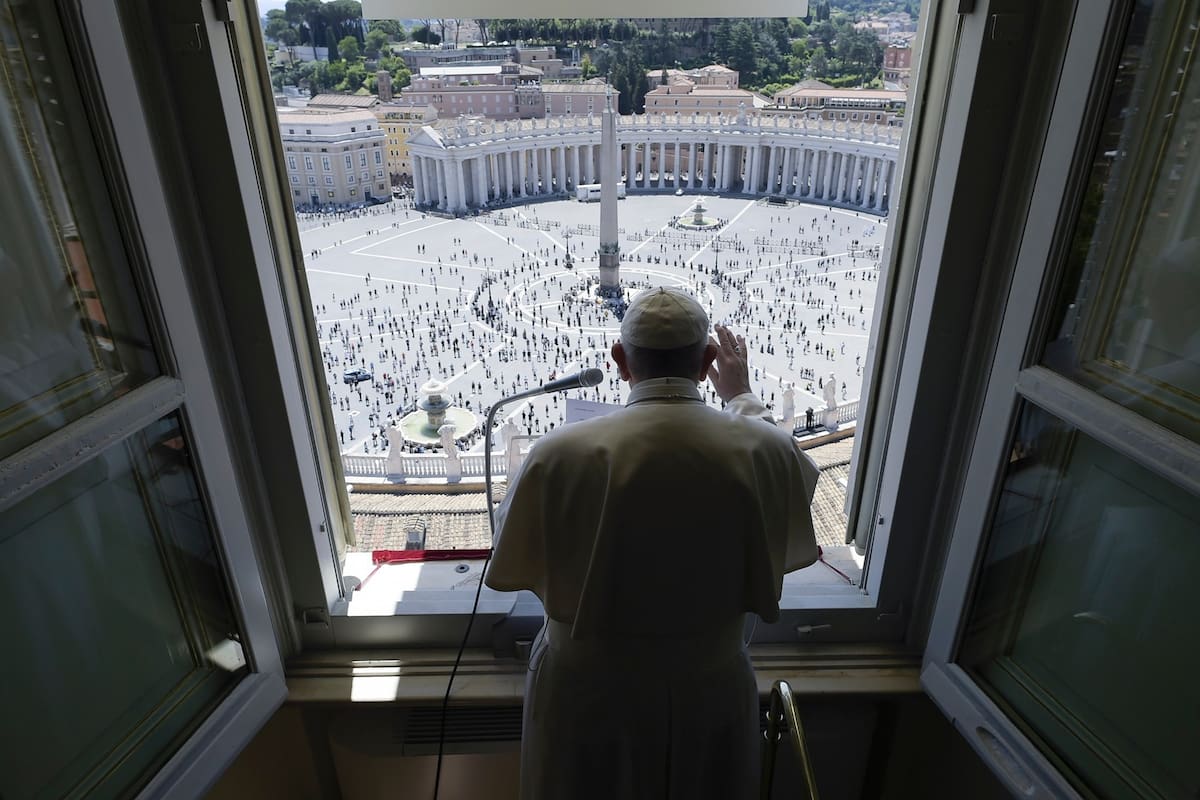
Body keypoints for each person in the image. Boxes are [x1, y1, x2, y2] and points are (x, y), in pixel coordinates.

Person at [485, 287, 820, 800]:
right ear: (708, 359)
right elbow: (793, 475)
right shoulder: (764, 448)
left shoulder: (555, 455)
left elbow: (513, 552)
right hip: (712, 690)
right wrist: (742, 397)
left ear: (619, 360)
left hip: (585, 695)